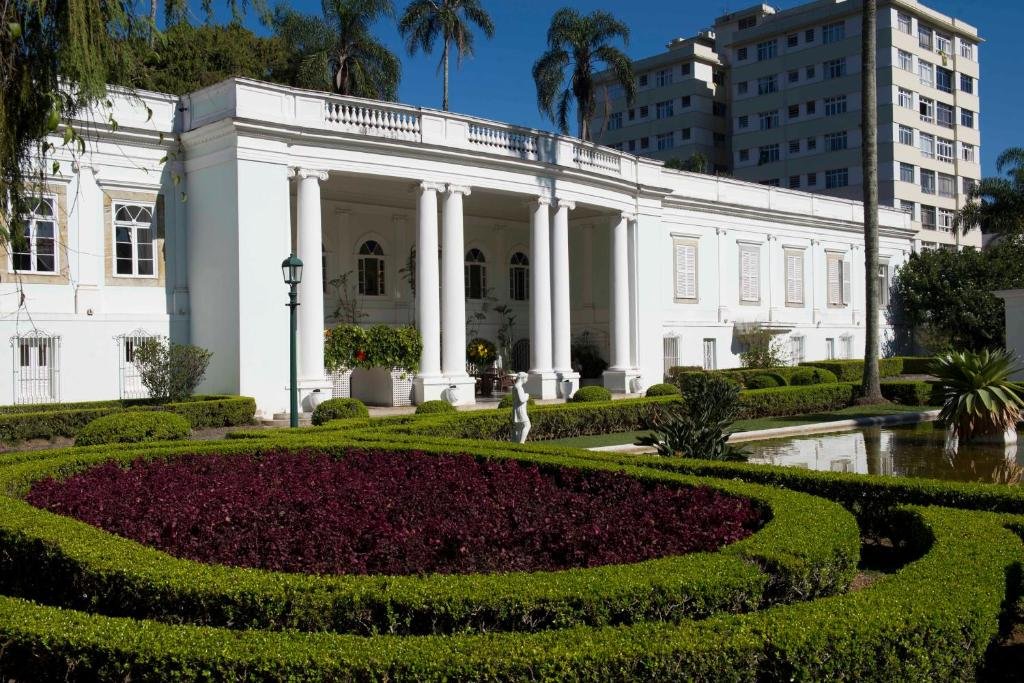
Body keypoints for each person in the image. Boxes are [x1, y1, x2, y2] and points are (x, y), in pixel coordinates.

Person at [511, 372, 531, 443]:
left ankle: (514, 442)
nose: (527, 380)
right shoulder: (519, 387)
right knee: (527, 425)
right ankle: (521, 443)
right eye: (526, 378)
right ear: (522, 378)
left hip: (517, 408)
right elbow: (522, 399)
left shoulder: (515, 386)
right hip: (520, 409)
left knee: (518, 427)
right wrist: (527, 396)